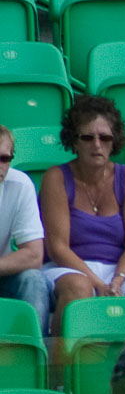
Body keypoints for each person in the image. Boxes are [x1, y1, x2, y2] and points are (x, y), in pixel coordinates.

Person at [39, 94, 125, 338]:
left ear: (113, 141)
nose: (97, 145)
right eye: (88, 137)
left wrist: (118, 280)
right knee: (79, 289)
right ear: (74, 141)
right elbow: (57, 247)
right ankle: (59, 369)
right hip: (69, 267)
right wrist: (96, 282)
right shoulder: (56, 177)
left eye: (104, 137)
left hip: (119, 268)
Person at [0, 125, 52, 334]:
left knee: (33, 280)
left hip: (3, 274)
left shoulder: (20, 185)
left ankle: (34, 359)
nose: (0, 166)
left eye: (5, 159)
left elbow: (33, 256)